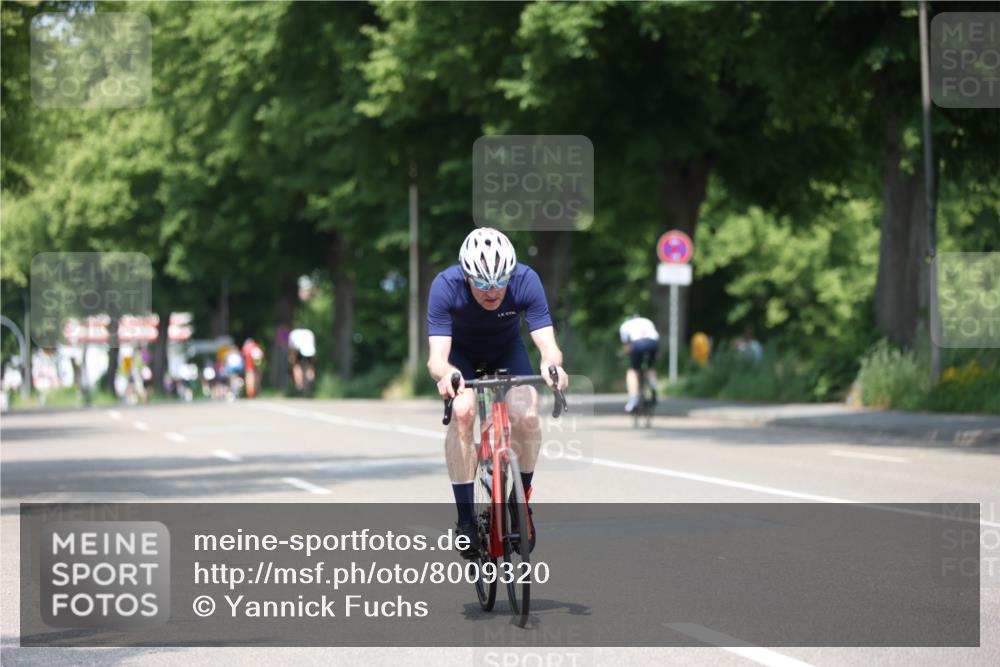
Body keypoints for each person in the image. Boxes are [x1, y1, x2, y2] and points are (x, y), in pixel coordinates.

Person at [427, 227, 568, 559]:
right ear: (466, 277)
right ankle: (465, 520)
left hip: (507, 353)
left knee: (527, 414)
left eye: (500, 283)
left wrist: (552, 366)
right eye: (482, 285)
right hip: (460, 358)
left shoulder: (526, 280)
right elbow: (437, 359)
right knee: (462, 412)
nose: (492, 292)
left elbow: (548, 346)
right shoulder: (445, 286)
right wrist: (447, 375)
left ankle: (521, 504)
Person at [619, 314, 660, 413]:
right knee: (650, 368)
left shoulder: (625, 325)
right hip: (652, 343)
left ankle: (633, 398)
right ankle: (654, 388)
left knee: (632, 370)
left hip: (638, 344)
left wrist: (628, 355)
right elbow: (656, 337)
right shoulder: (647, 321)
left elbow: (627, 346)